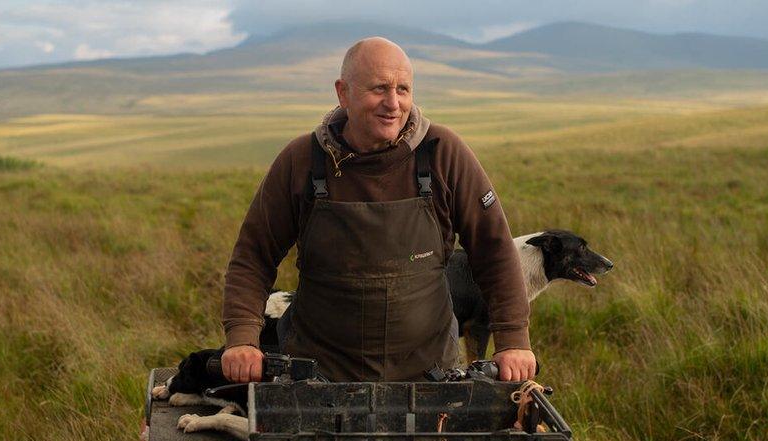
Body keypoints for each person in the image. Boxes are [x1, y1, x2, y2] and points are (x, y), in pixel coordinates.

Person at [221, 37, 536, 383]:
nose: (393, 103)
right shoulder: (302, 161)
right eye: (379, 89)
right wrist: (242, 338)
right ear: (343, 93)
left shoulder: (444, 154)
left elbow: (494, 249)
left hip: (430, 376)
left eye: (403, 89)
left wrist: (513, 340)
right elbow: (253, 255)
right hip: (317, 375)